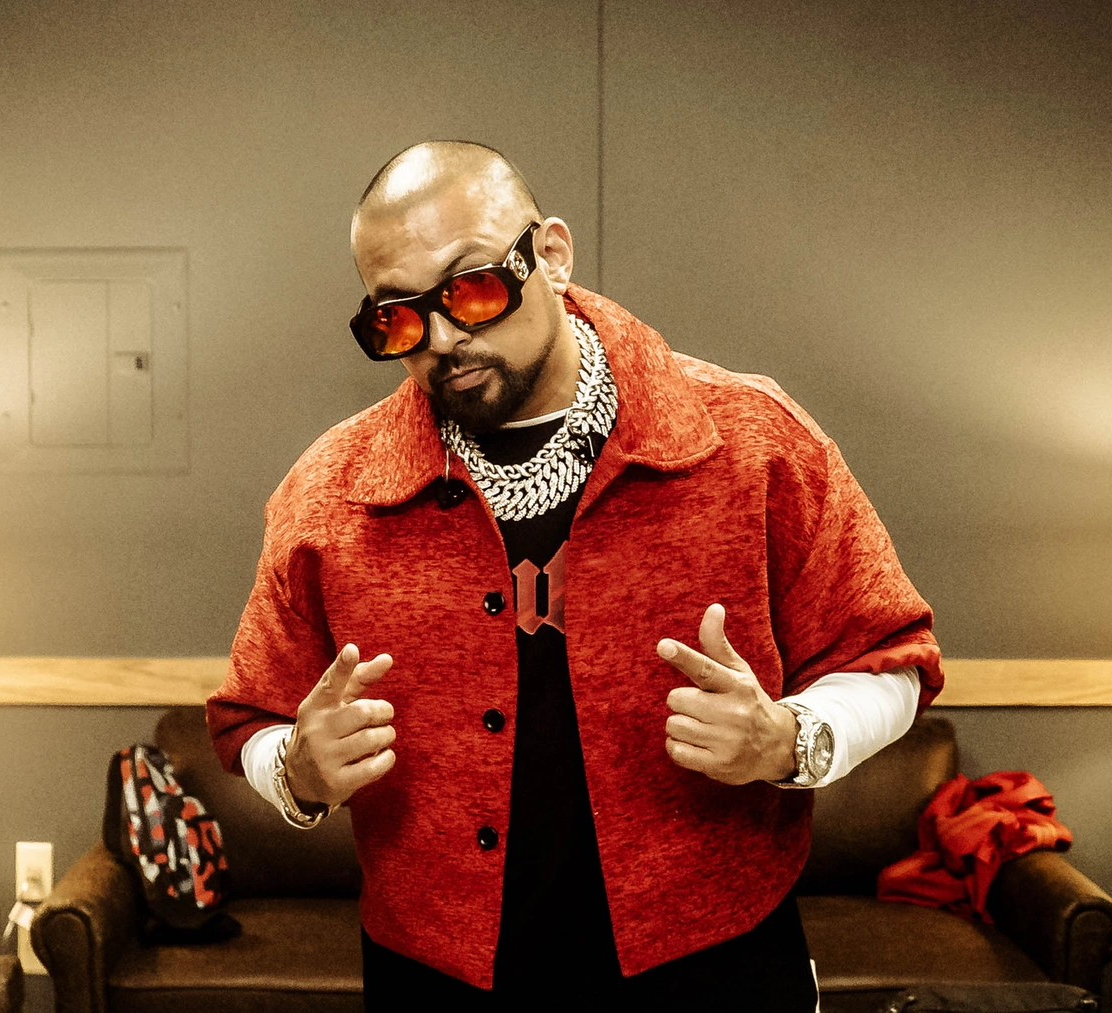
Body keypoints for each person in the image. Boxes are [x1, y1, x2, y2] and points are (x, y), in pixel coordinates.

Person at [207, 140, 943, 1010]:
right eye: (399, 319)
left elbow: (892, 658)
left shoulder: (753, 441)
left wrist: (789, 741)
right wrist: (297, 771)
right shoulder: (328, 492)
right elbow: (248, 718)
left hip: (718, 970)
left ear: (551, 255)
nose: (443, 338)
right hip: (435, 980)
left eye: (472, 288)